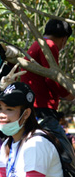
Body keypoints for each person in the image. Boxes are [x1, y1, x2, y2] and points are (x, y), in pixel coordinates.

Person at [21, 19, 75, 160]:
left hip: (33, 105)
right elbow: (51, 77)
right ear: (64, 39)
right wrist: (69, 94)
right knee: (65, 151)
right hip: (42, 108)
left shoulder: (37, 44)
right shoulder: (49, 46)